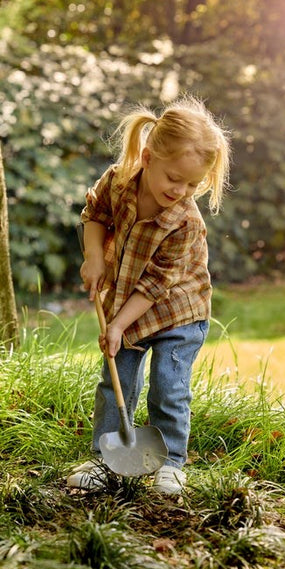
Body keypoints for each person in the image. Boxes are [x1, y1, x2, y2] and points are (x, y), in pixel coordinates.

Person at [67, 95, 231, 495]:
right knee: (114, 380)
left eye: (194, 183)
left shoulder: (185, 222)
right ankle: (105, 458)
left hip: (177, 312)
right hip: (125, 301)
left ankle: (171, 461)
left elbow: (158, 284)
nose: (182, 190)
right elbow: (94, 215)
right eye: (175, 178)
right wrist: (94, 258)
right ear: (147, 157)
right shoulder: (119, 181)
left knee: (168, 386)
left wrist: (120, 324)